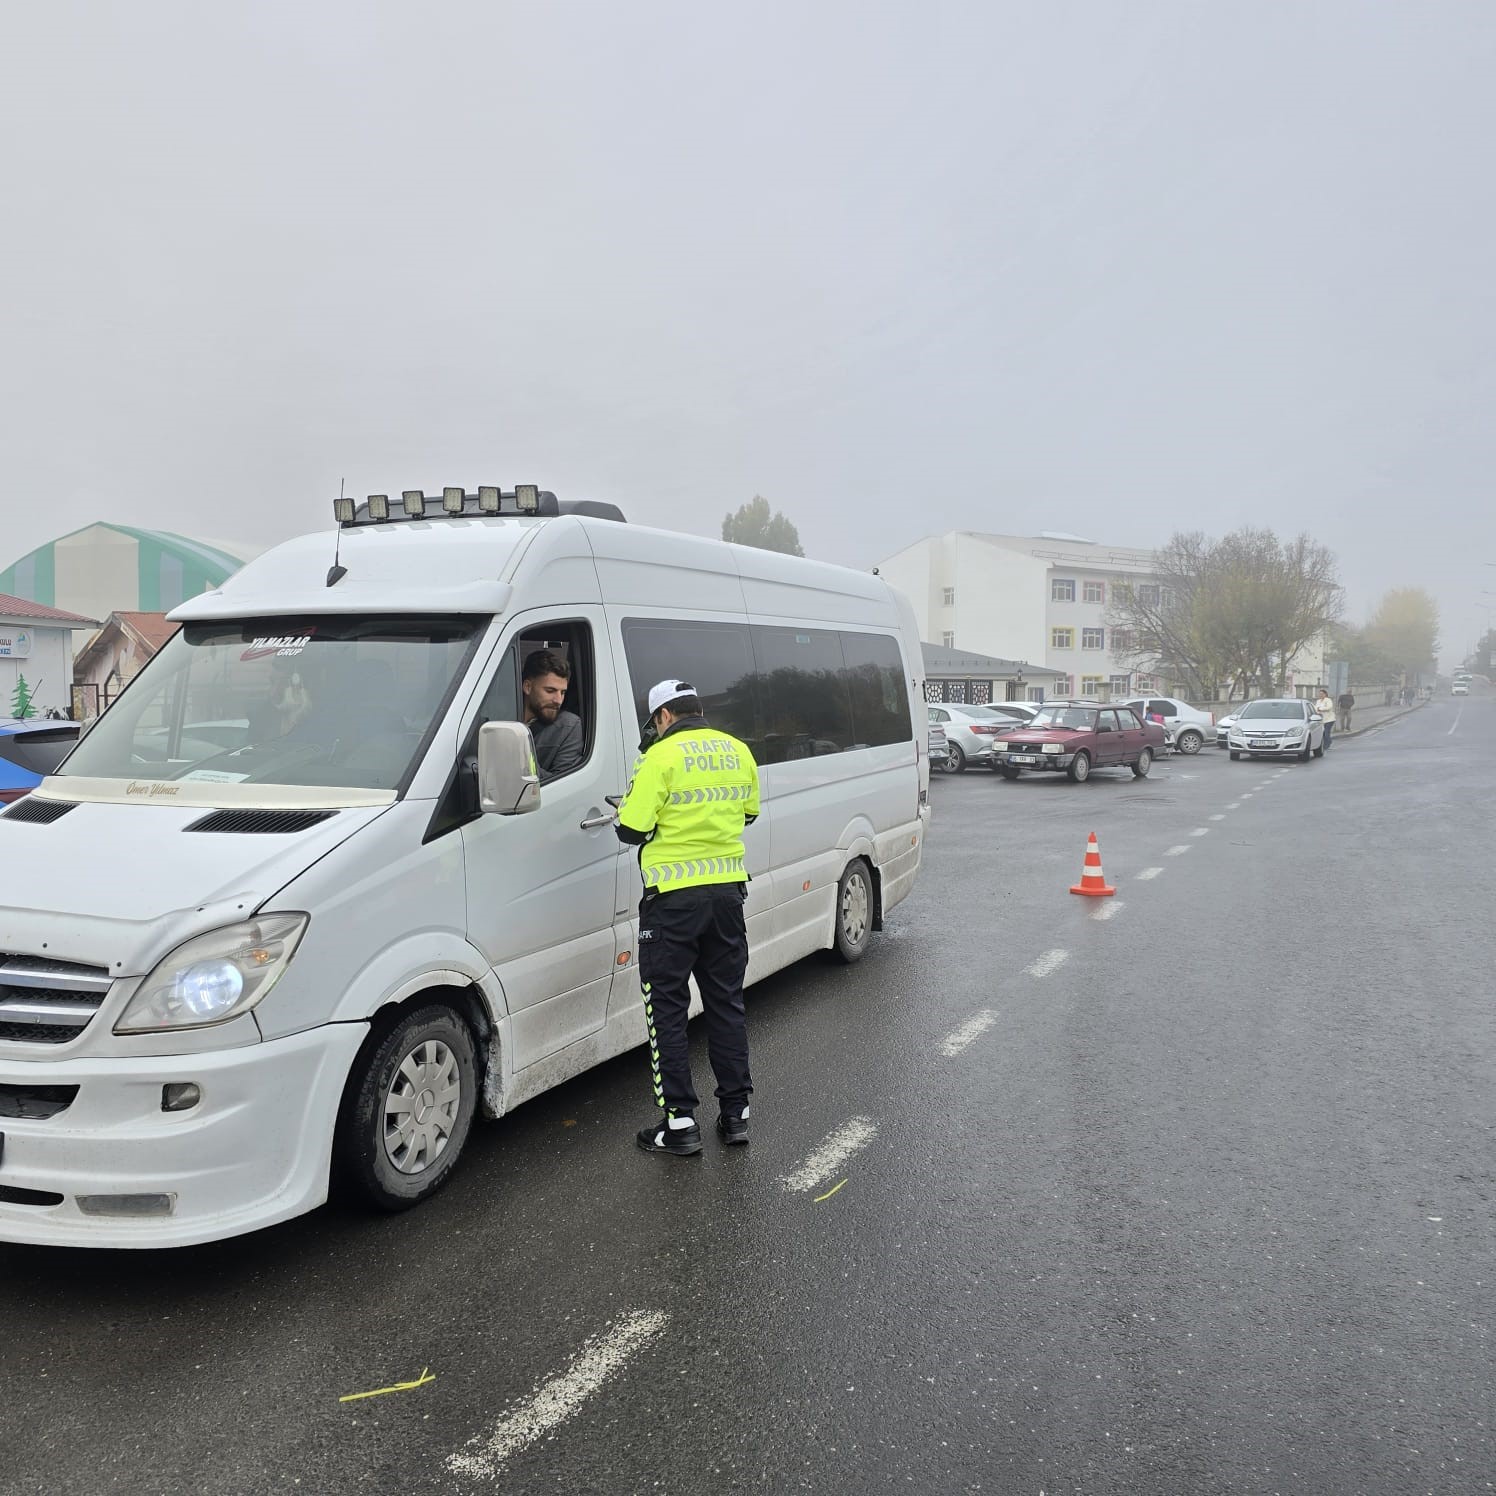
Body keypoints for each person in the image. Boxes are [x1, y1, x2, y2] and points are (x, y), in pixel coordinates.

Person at [615, 679, 761, 1157]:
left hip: (672, 905)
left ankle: (679, 1125)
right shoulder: (737, 750)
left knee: (668, 1012)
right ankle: (736, 1115)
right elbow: (748, 815)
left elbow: (632, 829)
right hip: (726, 899)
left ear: (662, 717)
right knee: (726, 1004)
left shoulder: (657, 757)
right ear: (697, 709)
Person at [522, 649, 583, 781]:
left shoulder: (568, 726)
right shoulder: (498, 717)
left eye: (563, 693)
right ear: (527, 687)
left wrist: (523, 762)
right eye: (550, 691)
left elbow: (563, 784)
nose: (558, 700)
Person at [1314, 686, 1335, 751]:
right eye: (1320, 694)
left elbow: (1329, 707)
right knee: (1323, 733)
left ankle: (1327, 744)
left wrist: (1320, 709)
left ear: (1325, 694)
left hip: (1329, 719)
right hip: (1322, 720)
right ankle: (1327, 743)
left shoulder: (1328, 700)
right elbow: (1315, 708)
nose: (1321, 695)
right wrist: (1317, 710)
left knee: (1326, 732)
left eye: (1322, 694)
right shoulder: (1318, 701)